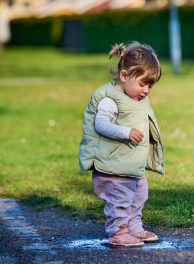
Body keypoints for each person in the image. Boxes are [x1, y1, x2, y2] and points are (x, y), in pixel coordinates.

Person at [78, 42, 165, 247]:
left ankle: (134, 228)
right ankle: (118, 231)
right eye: (143, 83)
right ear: (125, 76)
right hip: (113, 165)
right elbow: (101, 125)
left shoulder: (137, 99)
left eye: (150, 85)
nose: (146, 90)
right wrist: (126, 132)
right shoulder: (110, 99)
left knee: (139, 195)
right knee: (120, 199)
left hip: (131, 165)